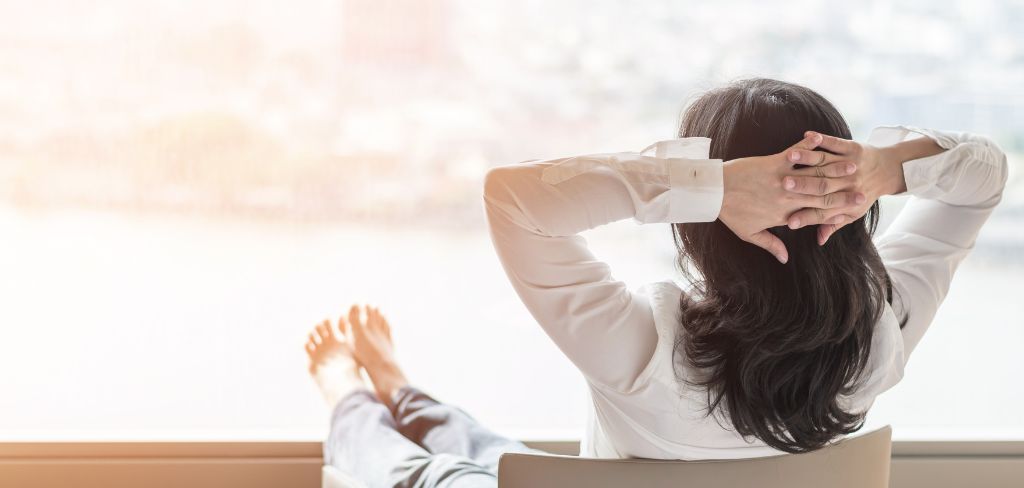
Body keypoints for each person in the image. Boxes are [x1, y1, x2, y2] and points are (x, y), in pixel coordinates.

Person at [306, 78, 1008, 486]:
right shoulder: (885, 336)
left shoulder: (644, 350)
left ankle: (352, 392)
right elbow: (983, 180)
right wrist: (887, 166)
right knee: (497, 451)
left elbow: (513, 198)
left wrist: (709, 187)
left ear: (702, 223)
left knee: (419, 473)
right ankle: (402, 390)